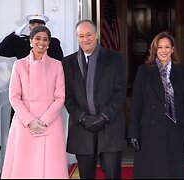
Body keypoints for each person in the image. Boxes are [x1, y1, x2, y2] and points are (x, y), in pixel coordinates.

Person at [1, 26, 68, 179]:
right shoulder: (19, 65)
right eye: (37, 38)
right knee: (25, 165)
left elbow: (60, 97)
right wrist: (31, 121)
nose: (41, 42)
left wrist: (44, 121)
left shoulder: (57, 65)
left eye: (45, 39)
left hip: (50, 123)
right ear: (31, 41)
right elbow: (14, 96)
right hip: (25, 123)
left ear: (49, 43)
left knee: (51, 167)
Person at [62, 20, 127, 179]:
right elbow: (67, 95)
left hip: (109, 126)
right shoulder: (68, 63)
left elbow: (119, 92)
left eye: (89, 34)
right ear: (77, 38)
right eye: (81, 36)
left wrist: (103, 117)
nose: (85, 39)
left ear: (96, 35)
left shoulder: (115, 59)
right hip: (82, 128)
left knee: (113, 174)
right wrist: (82, 118)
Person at [127, 32, 184, 179]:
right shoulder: (144, 71)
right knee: (151, 172)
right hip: (150, 131)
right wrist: (133, 133)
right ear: (154, 50)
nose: (163, 51)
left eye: (167, 47)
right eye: (160, 47)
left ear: (172, 49)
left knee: (175, 172)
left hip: (176, 130)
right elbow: (137, 104)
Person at [0, 13, 64, 125]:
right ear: (29, 26)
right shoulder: (21, 42)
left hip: (46, 96)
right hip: (24, 97)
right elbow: (1, 51)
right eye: (33, 24)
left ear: (45, 25)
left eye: (40, 24)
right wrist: (16, 33)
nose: (36, 26)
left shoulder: (53, 43)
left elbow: (59, 65)